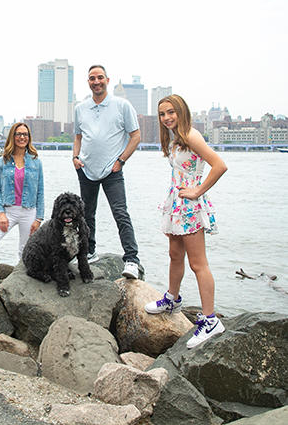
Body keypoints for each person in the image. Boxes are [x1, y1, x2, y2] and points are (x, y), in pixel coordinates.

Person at [144, 94, 227, 348]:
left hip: (189, 205)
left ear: (181, 112)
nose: (167, 117)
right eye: (162, 114)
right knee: (175, 254)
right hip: (177, 203)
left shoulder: (191, 136)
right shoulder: (175, 139)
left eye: (171, 112)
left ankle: (211, 320)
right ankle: (172, 298)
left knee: (198, 264)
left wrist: (197, 191)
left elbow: (219, 165)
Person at [73, 64, 142, 279]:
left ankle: (131, 260)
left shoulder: (122, 105)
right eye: (92, 78)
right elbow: (78, 136)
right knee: (86, 215)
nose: (96, 81)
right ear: (88, 82)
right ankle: (89, 251)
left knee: (120, 214)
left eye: (100, 77)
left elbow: (136, 136)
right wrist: (75, 158)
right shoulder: (80, 108)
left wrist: (121, 161)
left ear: (107, 80)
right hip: (86, 170)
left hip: (112, 170)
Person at [0, 122, 44, 291]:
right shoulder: (3, 161)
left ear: (29, 138)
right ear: (12, 137)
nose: (22, 137)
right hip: (8, 211)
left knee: (25, 252)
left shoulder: (36, 162)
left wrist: (39, 218)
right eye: (18, 134)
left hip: (29, 212)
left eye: (25, 134)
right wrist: (0, 213)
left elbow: (41, 192)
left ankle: (21, 288)